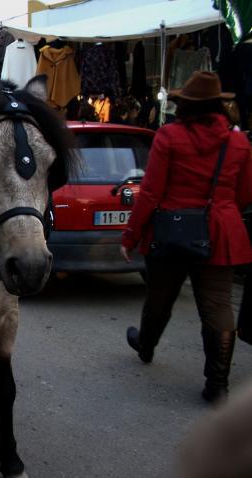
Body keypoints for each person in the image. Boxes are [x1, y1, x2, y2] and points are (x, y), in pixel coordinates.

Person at [121, 71, 252, 403]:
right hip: (220, 231)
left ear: (184, 105)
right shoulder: (238, 141)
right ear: (219, 106)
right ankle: (217, 385)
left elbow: (150, 193)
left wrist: (130, 235)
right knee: (218, 305)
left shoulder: (169, 136)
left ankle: (146, 345)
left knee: (159, 297)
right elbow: (245, 193)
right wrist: (218, 210)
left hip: (171, 230)